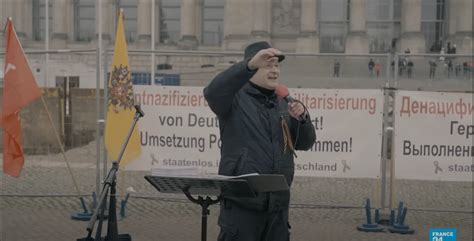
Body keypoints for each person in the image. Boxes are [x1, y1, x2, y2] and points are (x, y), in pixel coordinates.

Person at [203, 41, 316, 241]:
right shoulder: (234, 100)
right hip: (242, 207)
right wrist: (247, 65)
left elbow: (304, 143)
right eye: (268, 65)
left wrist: (302, 120)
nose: (274, 71)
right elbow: (212, 92)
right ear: (253, 68)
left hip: (278, 210)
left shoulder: (283, 103)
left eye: (277, 65)